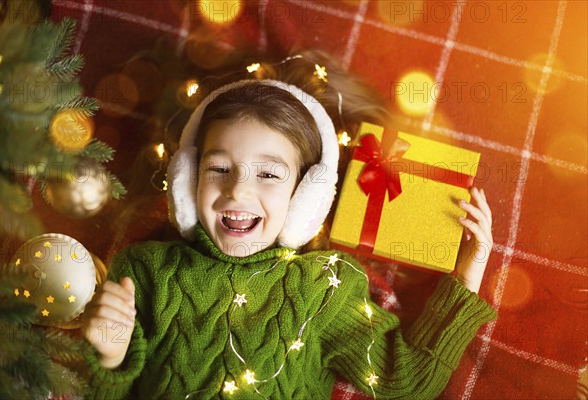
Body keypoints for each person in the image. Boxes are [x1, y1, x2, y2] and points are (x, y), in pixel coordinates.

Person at [82, 54, 496, 400]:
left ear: (306, 197)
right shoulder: (144, 272)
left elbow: (408, 382)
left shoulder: (322, 289)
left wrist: (468, 273)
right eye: (219, 168)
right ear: (189, 179)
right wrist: (109, 357)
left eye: (269, 175)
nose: (237, 191)